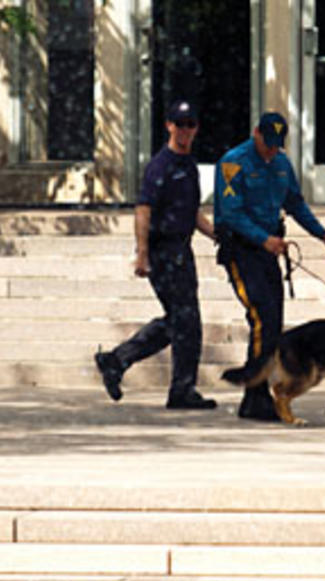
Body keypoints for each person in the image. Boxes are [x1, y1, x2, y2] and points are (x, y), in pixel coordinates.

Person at [214, 112, 325, 421]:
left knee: (273, 322)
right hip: (242, 251)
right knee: (262, 317)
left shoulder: (281, 163)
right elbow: (231, 214)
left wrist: (324, 235)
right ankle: (256, 393)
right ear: (255, 134)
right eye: (266, 144)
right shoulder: (233, 163)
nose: (270, 151)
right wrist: (263, 240)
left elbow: (295, 204)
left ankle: (255, 394)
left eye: (276, 145)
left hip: (268, 251)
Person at [94, 100, 218, 410]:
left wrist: (219, 236)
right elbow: (143, 209)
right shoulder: (159, 165)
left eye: (190, 125)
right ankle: (177, 387)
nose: (185, 130)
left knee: (182, 321)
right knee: (185, 321)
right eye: (180, 124)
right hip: (163, 253)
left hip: (182, 250)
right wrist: (142, 254)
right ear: (169, 126)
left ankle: (118, 361)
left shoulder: (189, 166)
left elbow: (192, 214)